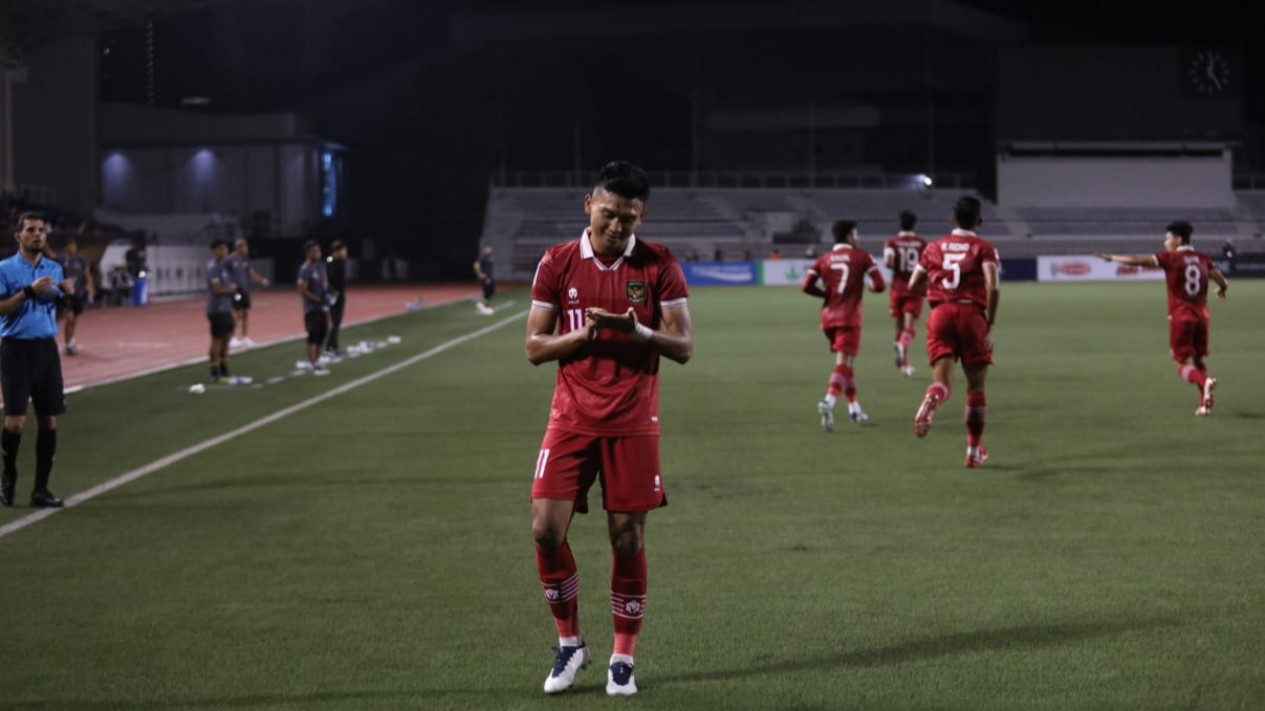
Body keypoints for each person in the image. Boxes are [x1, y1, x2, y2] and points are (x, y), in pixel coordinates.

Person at [526, 161, 692, 697]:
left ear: (641, 216)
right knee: (545, 530)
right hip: (570, 418)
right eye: (608, 214)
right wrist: (585, 336)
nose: (617, 226)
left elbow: (684, 345)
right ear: (588, 206)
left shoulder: (659, 263)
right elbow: (534, 346)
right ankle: (570, 643)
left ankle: (623, 656)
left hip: (632, 422)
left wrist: (635, 329)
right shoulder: (557, 261)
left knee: (626, 540)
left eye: (628, 218)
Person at [1096, 221, 1228, 416]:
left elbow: (1137, 260)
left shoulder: (1171, 258)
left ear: (1178, 239)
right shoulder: (1203, 258)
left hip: (1181, 316)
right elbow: (1221, 279)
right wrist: (1222, 289)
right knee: (1199, 360)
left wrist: (1112, 258)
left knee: (1180, 362)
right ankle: (1204, 403)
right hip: (1202, 317)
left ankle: (1204, 383)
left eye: (1167, 238)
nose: (1165, 242)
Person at [906, 196, 1000, 468]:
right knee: (976, 386)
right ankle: (973, 451)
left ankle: (933, 397)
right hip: (971, 315)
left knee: (943, 382)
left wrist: (938, 295)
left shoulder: (933, 246)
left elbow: (914, 285)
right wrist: (990, 324)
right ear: (979, 221)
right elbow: (992, 286)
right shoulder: (984, 248)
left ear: (952, 220)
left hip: (940, 314)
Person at [0, 213, 74, 507]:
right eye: (31, 230)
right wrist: (28, 291)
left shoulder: (54, 268)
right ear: (18, 236)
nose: (38, 235)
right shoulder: (4, 268)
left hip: (46, 351)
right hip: (15, 350)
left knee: (49, 421)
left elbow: (57, 307)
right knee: (16, 421)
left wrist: (66, 296)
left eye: (42, 230)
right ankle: (8, 479)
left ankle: (40, 490)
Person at [802, 219, 886, 430]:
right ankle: (828, 402)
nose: (858, 238)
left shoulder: (824, 258)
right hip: (849, 316)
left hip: (828, 317)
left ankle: (854, 409)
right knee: (843, 362)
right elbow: (880, 284)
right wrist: (872, 289)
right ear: (849, 236)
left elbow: (805, 286)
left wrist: (826, 294)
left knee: (847, 364)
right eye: (856, 234)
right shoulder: (862, 256)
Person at [883, 210, 927, 376]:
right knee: (909, 328)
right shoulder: (922, 243)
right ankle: (902, 347)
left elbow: (888, 262)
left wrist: (898, 265)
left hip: (897, 288)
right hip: (914, 287)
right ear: (914, 225)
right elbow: (926, 265)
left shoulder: (891, 242)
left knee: (899, 326)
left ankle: (904, 365)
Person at [205, 239, 240, 383]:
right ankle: (214, 371)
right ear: (213, 251)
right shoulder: (213, 267)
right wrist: (230, 289)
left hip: (226, 307)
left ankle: (224, 368)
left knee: (227, 339)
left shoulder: (224, 267)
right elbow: (216, 289)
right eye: (220, 249)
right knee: (217, 340)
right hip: (217, 309)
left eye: (225, 249)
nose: (224, 252)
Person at [226, 238, 270, 348]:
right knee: (238, 312)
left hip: (245, 289)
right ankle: (231, 337)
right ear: (239, 247)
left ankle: (245, 337)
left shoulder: (244, 260)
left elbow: (251, 273)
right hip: (236, 290)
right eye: (245, 247)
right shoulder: (230, 260)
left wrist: (261, 280)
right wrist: (229, 285)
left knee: (245, 313)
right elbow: (224, 275)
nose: (247, 249)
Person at [296, 240, 331, 375]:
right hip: (312, 308)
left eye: (318, 250)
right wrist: (317, 299)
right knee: (313, 335)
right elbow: (302, 290)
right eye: (314, 251)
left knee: (322, 334)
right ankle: (313, 363)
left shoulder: (321, 266)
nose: (318, 253)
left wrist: (327, 296)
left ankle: (317, 360)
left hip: (323, 307)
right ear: (308, 253)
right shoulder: (305, 269)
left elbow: (324, 284)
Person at [56, 238, 96, 356]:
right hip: (66, 293)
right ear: (66, 248)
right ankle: (67, 343)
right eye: (69, 246)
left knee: (74, 319)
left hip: (78, 293)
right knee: (69, 318)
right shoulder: (62, 260)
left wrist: (91, 287)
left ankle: (71, 340)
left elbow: (87, 274)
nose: (72, 249)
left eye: (73, 246)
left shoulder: (81, 260)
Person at [325, 240, 348, 354]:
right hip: (335, 295)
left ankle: (332, 345)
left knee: (336, 322)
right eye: (343, 250)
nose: (345, 252)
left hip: (339, 294)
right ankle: (331, 346)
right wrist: (334, 292)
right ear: (337, 251)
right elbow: (329, 278)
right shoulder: (332, 261)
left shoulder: (340, 261)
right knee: (336, 321)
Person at [473, 244, 496, 315]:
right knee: (487, 292)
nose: (490, 249)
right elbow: (476, 264)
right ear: (485, 249)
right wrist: (479, 274)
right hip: (485, 278)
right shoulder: (483, 256)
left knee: (492, 291)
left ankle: (483, 304)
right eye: (488, 248)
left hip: (490, 277)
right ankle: (483, 306)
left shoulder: (491, 256)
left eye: (490, 248)